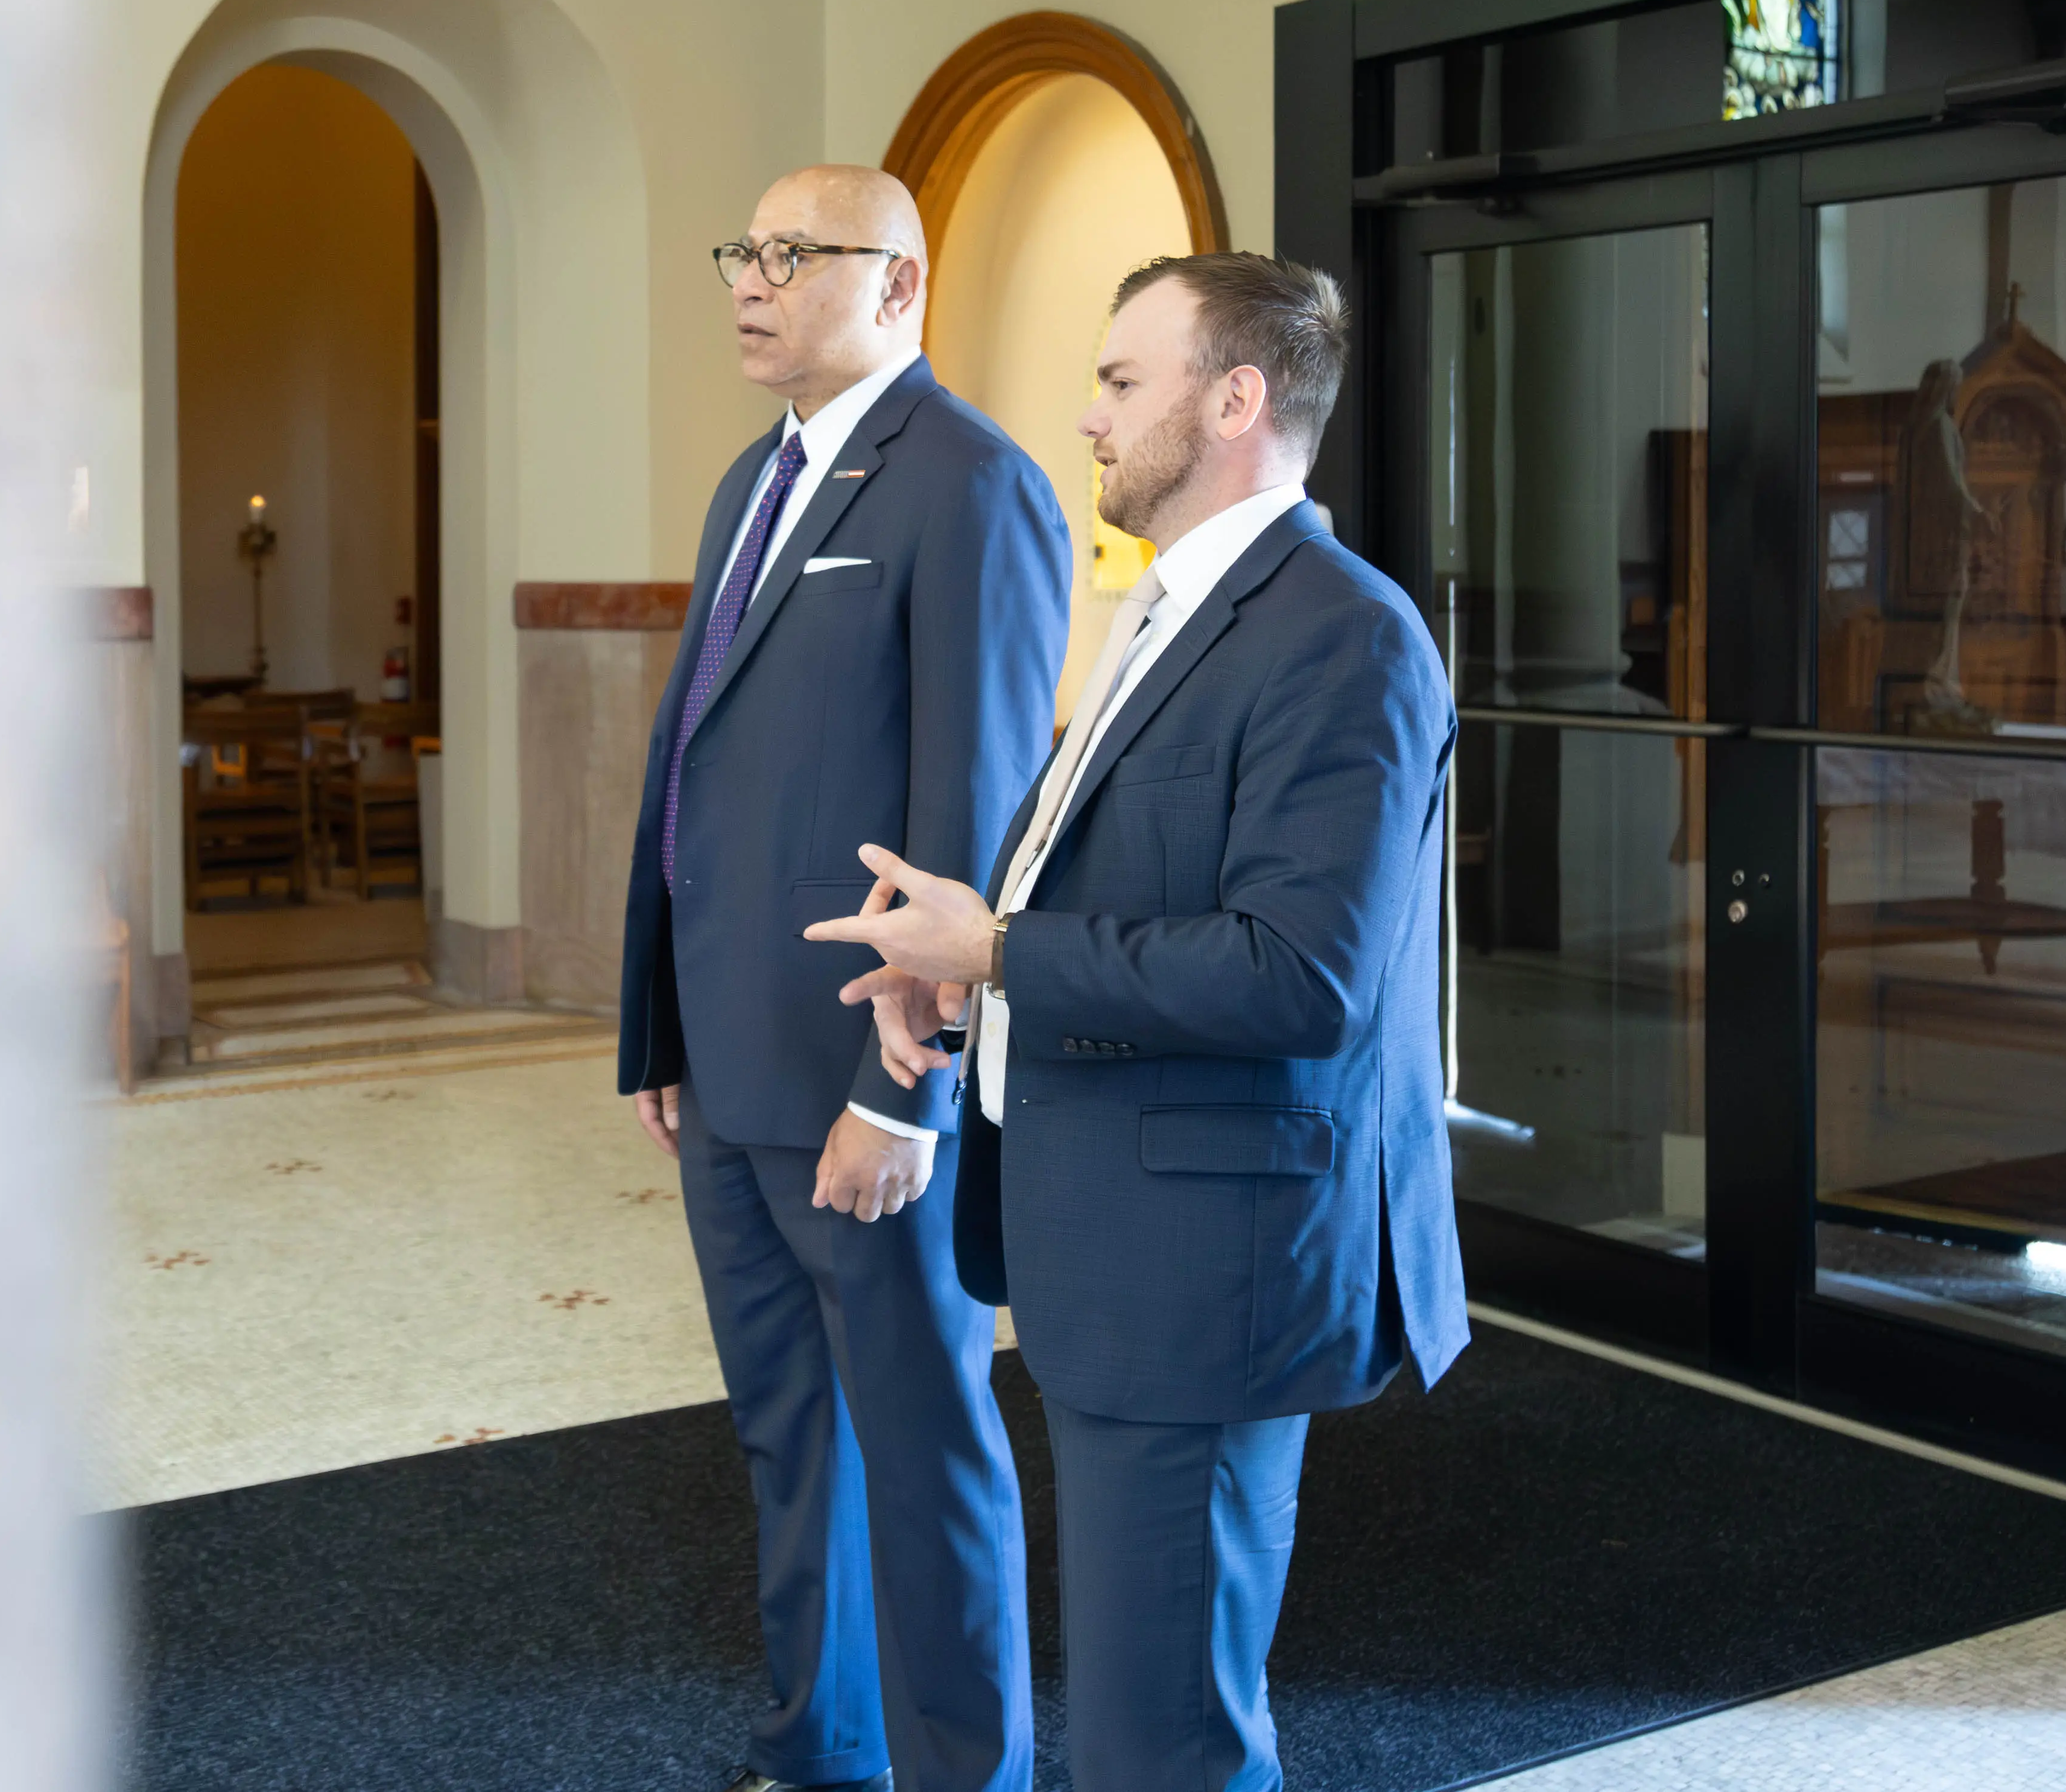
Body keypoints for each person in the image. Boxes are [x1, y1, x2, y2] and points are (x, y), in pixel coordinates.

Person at [806, 251, 1464, 1792]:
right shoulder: (1172, 606)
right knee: (1135, 1720)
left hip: (1209, 1270)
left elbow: (1297, 975)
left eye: (1119, 379)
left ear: (1234, 398)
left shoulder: (1343, 636)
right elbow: (1117, 893)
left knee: (1157, 1739)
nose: (1088, 414)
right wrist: (962, 980)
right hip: (1123, 1243)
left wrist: (1004, 945)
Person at [618, 165, 1068, 1792]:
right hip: (733, 1069)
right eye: (742, 247)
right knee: (788, 1439)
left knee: (921, 1443)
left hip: (864, 1085)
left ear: (898, 283)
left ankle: (967, 1775)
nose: (751, 278)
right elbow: (700, 782)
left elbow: (974, 828)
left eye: (792, 253)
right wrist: (661, 1025)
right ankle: (826, 1750)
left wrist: (911, 1092)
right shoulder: (757, 476)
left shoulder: (969, 485)